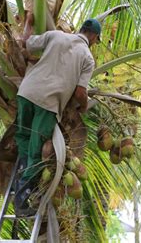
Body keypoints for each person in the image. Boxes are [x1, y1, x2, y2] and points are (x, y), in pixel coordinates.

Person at [14, 18, 101, 216]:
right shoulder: (87, 57)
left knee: (23, 137)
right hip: (48, 102)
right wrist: (84, 106)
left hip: (26, 92)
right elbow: (80, 92)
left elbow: (26, 43)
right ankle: (22, 196)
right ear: (94, 37)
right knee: (37, 149)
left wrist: (28, 21)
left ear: (82, 29)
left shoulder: (56, 35)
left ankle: (18, 181)